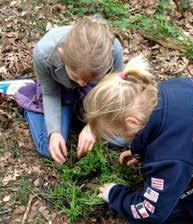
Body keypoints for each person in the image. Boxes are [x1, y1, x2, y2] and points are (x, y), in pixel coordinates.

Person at [84, 55, 193, 224]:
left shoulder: (171, 154)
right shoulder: (163, 91)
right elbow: (163, 125)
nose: (121, 138)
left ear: (131, 122)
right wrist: (139, 151)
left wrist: (114, 195)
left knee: (165, 215)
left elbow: (149, 211)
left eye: (118, 133)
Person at [25, 16, 124, 164]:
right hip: (59, 90)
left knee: (122, 140)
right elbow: (50, 93)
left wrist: (94, 126)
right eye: (76, 77)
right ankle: (27, 97)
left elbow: (114, 90)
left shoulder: (112, 49)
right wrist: (54, 132)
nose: (82, 83)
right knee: (48, 147)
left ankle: (77, 112)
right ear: (62, 54)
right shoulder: (44, 53)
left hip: (95, 92)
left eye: (88, 79)